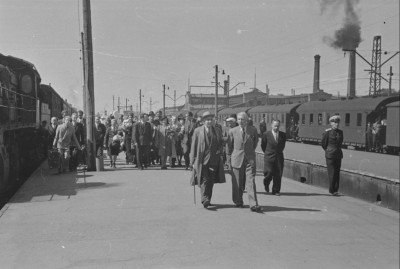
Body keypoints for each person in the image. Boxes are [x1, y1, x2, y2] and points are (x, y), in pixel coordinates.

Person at [190, 111, 226, 208]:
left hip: (214, 159)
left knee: (211, 180)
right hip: (202, 159)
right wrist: (192, 160)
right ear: (203, 121)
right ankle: (204, 198)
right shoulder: (198, 131)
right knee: (204, 179)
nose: (209, 122)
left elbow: (220, 142)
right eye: (207, 120)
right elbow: (194, 146)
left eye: (211, 120)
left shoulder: (217, 130)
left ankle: (208, 199)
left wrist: (219, 150)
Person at [227, 112, 261, 212]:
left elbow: (255, 143)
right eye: (239, 119)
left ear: (247, 120)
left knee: (251, 182)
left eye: (243, 119)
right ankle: (238, 201)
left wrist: (249, 152)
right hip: (236, 159)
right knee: (237, 182)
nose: (241, 121)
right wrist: (228, 161)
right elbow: (229, 147)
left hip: (249, 159)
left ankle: (253, 204)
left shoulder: (253, 130)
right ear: (236, 120)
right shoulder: (232, 131)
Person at [261, 119, 286, 196]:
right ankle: (266, 183)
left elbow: (282, 146)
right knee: (268, 172)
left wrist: (278, 152)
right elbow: (263, 145)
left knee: (278, 174)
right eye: (275, 126)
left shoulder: (283, 135)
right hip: (269, 156)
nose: (276, 127)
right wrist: (268, 152)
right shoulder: (266, 134)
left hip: (279, 157)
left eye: (278, 126)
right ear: (271, 125)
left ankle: (276, 190)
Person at [321, 115, 343, 196]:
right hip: (330, 155)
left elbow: (340, 143)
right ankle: (332, 190)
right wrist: (328, 150)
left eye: (337, 122)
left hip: (338, 155)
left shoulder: (340, 132)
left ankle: (336, 190)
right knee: (332, 173)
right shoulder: (327, 132)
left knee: (337, 173)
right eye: (335, 123)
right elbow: (323, 144)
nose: (337, 124)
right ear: (331, 123)